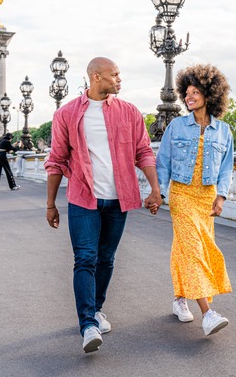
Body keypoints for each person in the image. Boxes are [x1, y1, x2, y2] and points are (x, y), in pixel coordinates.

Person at [45, 57, 162, 354]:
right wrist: (50, 204)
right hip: (83, 198)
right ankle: (88, 325)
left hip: (118, 199)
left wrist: (155, 189)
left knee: (106, 259)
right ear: (96, 77)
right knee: (85, 258)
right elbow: (56, 160)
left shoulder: (130, 112)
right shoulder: (67, 114)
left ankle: (96, 309)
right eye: (115, 74)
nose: (120, 79)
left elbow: (144, 152)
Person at [156, 64, 235, 337]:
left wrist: (221, 196)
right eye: (186, 92)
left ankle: (180, 299)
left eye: (195, 92)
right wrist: (160, 193)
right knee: (193, 250)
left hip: (207, 198)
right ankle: (208, 313)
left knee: (187, 248)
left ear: (210, 95)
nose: (189, 97)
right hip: (182, 194)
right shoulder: (176, 126)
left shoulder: (224, 131)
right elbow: (162, 162)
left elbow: (227, 167)